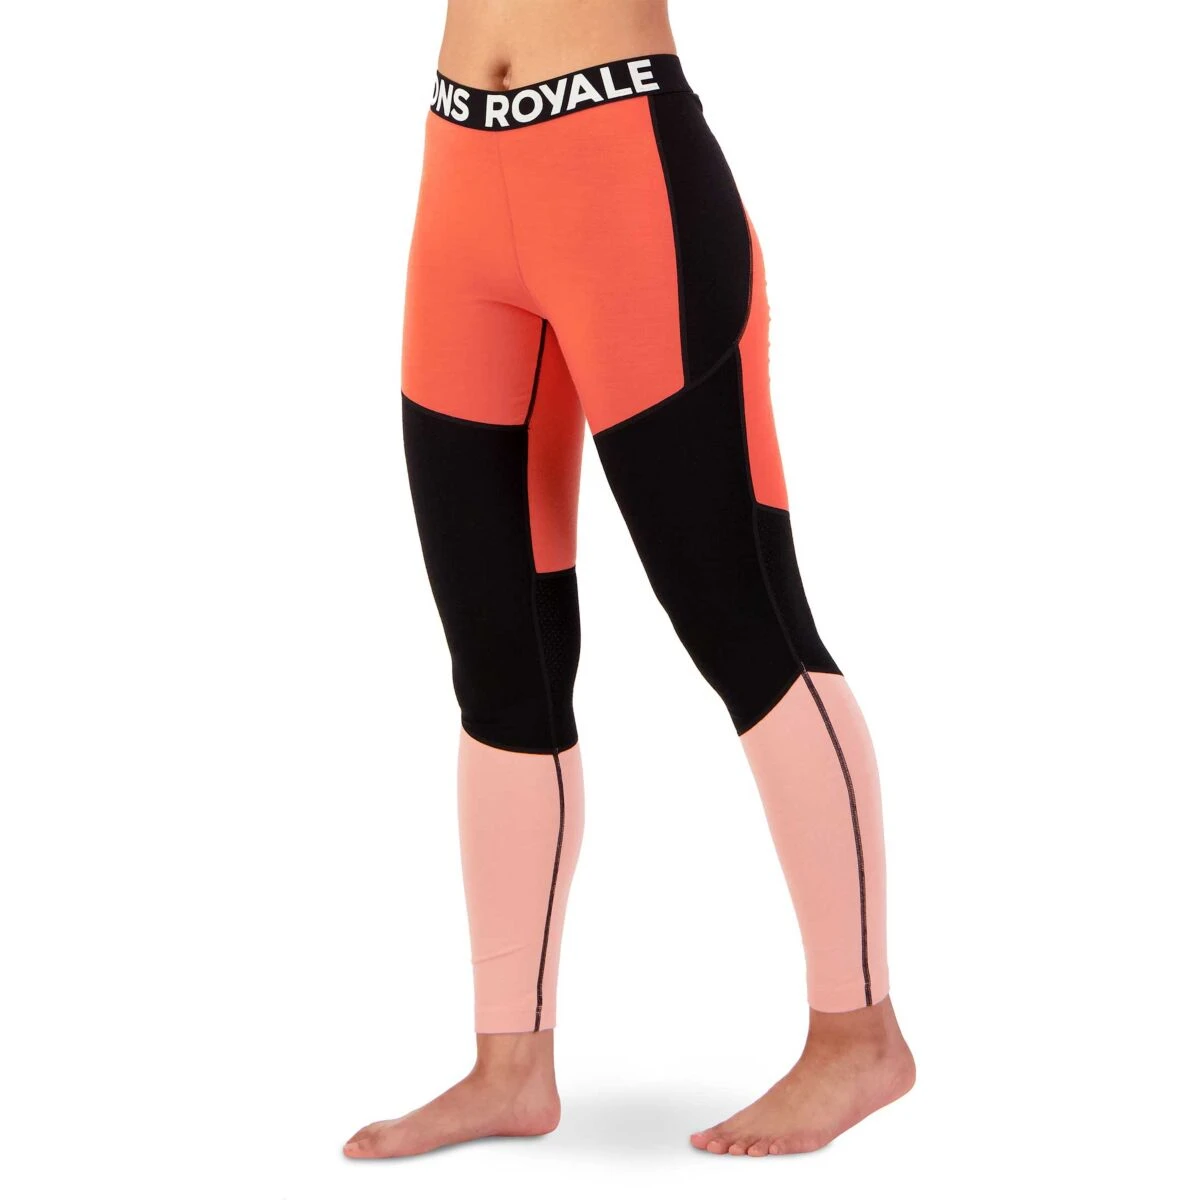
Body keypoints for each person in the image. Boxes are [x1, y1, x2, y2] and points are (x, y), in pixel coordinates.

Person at [344, 0, 915, 1159]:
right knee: (498, 651)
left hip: (621, 169)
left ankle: (860, 1035)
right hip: (458, 173)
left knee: (745, 625)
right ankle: (510, 1067)